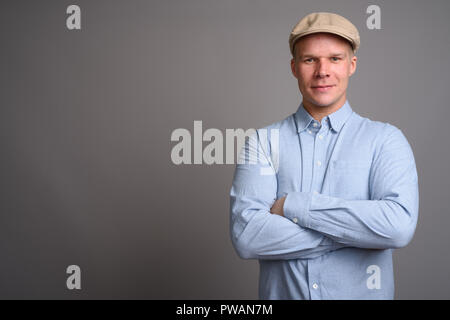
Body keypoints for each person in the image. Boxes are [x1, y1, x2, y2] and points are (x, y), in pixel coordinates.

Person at [229, 12, 419, 299]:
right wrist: (357, 234)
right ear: (294, 67)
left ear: (351, 65)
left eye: (335, 58)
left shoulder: (386, 140)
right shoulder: (263, 142)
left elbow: (397, 228)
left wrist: (295, 206)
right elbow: (248, 238)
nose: (322, 71)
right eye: (310, 60)